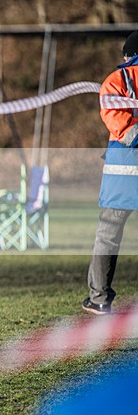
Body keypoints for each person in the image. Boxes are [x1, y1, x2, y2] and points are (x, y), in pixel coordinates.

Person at [81, 30, 138, 315]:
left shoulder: (117, 80)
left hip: (124, 175)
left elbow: (126, 131)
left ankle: (100, 297)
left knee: (108, 234)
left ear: (128, 55)